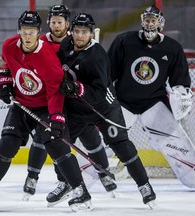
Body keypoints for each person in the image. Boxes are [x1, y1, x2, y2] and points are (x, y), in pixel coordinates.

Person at [0, 10, 93, 212]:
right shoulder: (9, 46)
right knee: (6, 144)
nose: (28, 35)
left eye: (32, 31)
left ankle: (80, 191)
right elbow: (9, 67)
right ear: (19, 31)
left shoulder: (48, 57)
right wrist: (3, 82)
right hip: (21, 105)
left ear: (38, 31)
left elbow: (55, 92)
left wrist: (56, 118)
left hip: (46, 107)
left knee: (57, 147)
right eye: (24, 30)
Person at [107, 5, 195, 189]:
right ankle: (80, 176)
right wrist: (105, 90)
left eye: (153, 20)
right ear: (142, 21)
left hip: (153, 103)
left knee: (174, 140)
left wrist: (181, 93)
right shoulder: (124, 41)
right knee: (105, 138)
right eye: (146, 20)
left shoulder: (172, 47)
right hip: (123, 102)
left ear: (160, 23)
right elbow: (108, 72)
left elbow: (179, 79)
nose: (149, 24)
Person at [57, 12, 156, 208]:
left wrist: (77, 88)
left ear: (91, 34)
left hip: (104, 108)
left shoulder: (97, 57)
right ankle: (68, 184)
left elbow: (100, 93)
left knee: (121, 145)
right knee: (58, 141)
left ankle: (144, 185)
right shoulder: (66, 45)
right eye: (76, 31)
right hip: (79, 108)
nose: (79, 36)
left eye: (84, 32)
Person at [23, 5, 117, 206]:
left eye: (60, 21)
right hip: (57, 101)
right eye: (53, 21)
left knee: (91, 138)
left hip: (79, 102)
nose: (56, 25)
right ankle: (53, 180)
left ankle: (103, 172)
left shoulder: (72, 41)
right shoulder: (41, 42)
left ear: (67, 24)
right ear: (48, 23)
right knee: (51, 140)